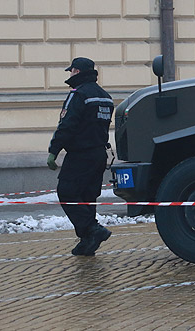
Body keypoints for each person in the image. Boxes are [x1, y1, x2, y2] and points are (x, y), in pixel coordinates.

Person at [47, 57, 115, 256]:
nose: (70, 75)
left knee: (67, 192)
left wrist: (54, 150)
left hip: (80, 154)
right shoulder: (105, 97)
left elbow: (67, 125)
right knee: (87, 197)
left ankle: (92, 230)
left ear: (77, 72)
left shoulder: (78, 95)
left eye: (72, 71)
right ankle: (87, 242)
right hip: (99, 153)